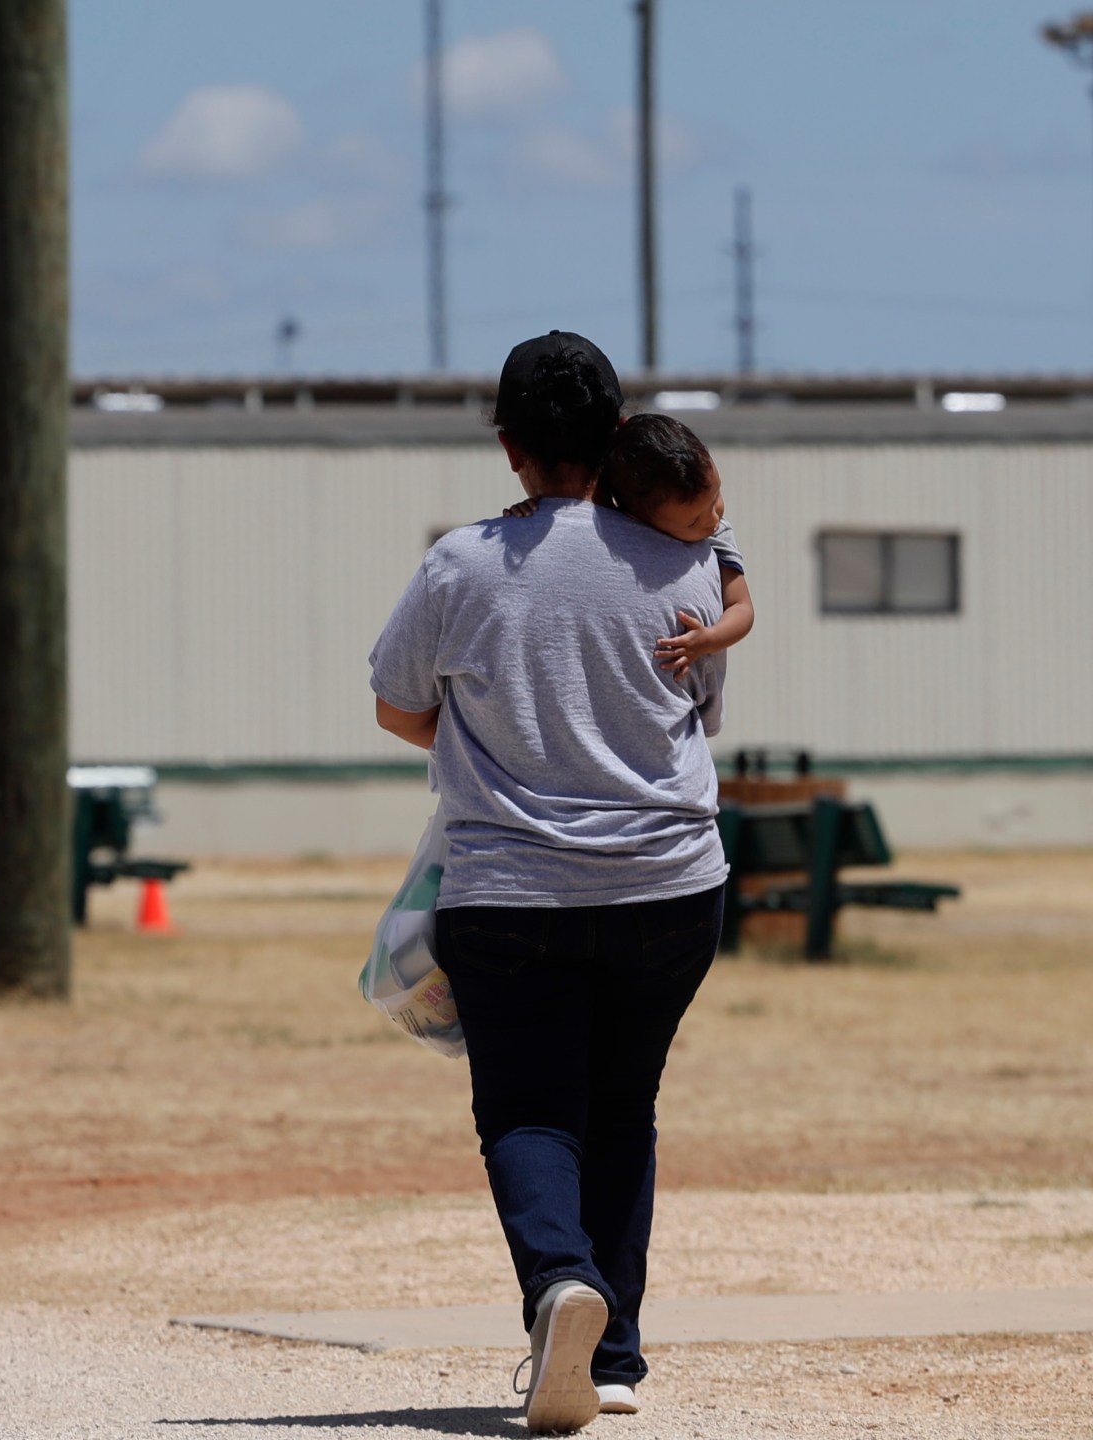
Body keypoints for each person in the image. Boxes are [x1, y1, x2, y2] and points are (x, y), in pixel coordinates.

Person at [368, 331, 730, 1434]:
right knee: (625, 1102)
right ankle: (612, 1360)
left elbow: (395, 705)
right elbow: (698, 712)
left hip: (510, 887)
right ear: (619, 434)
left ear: (507, 445)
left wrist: (472, 737)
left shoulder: (461, 563)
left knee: (529, 1107)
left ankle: (559, 1285)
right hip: (671, 883)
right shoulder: (687, 561)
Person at [504, 411, 754, 679]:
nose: (714, 519)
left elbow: (742, 607)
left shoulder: (717, 538)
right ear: (638, 520)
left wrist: (709, 639)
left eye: (716, 497)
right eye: (694, 522)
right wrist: (531, 511)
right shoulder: (617, 530)